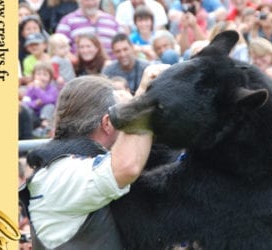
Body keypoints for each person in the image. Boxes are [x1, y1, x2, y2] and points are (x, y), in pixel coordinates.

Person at [26, 65, 169, 249]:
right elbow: (127, 166)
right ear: (108, 124)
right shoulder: (64, 172)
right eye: (123, 116)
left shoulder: (62, 164)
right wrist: (143, 97)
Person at [55, 0, 123, 59]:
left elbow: (123, 44)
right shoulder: (67, 21)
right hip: (78, 69)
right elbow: (57, 47)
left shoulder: (112, 21)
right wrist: (75, 61)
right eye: (87, 0)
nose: (90, 3)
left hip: (110, 69)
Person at [24, 61, 58, 138]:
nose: (41, 77)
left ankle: (45, 128)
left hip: (47, 117)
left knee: (49, 106)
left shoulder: (52, 89)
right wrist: (35, 103)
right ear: (34, 76)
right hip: (34, 115)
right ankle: (34, 129)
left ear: (50, 78)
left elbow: (48, 100)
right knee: (26, 110)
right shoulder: (30, 88)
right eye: (38, 74)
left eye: (45, 75)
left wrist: (37, 89)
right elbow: (25, 102)